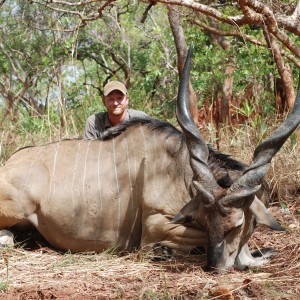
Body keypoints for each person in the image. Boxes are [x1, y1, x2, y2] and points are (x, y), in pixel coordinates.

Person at [84, 81, 148, 139]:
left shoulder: (141, 119)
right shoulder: (94, 122)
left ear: (127, 100)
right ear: (104, 101)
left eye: (119, 98)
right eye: (110, 99)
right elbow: (89, 150)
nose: (115, 103)